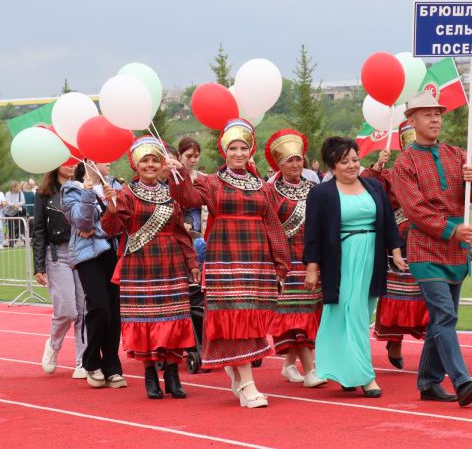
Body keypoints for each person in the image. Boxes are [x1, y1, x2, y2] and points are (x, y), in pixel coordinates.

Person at [167, 118, 291, 408]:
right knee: (233, 319)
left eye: (243, 148)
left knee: (249, 321)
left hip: (258, 262)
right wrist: (179, 173)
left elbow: (273, 225)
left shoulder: (262, 186)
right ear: (225, 151)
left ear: (251, 151)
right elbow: (186, 198)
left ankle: (238, 373)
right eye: (232, 148)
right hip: (225, 260)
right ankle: (247, 384)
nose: (238, 153)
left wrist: (280, 264)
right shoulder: (211, 182)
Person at [392, 91, 472, 407]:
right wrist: (452, 230)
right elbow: (415, 209)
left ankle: (429, 382)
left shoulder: (457, 154)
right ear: (412, 120)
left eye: (438, 114)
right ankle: (461, 381)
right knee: (445, 315)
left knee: (441, 319)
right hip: (425, 250)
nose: (435, 119)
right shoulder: (403, 163)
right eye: (427, 114)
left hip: (456, 250)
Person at [304, 136, 405, 398]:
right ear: (331, 166)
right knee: (351, 315)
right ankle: (365, 375)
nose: (351, 165)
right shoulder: (321, 193)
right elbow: (313, 234)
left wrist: (395, 251)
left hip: (372, 257)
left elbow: (389, 223)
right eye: (344, 161)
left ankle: (347, 371)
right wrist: (312, 269)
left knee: (361, 313)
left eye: (355, 159)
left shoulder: (373, 186)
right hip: (342, 259)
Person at [101, 137, 199, 399]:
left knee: (174, 319)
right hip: (139, 265)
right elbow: (109, 229)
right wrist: (110, 207)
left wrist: (192, 263)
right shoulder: (125, 194)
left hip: (170, 263)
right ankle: (150, 375)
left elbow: (180, 233)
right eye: (145, 160)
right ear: (136, 164)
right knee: (145, 320)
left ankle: (172, 374)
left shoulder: (172, 193)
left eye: (155, 159)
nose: (150, 164)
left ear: (162, 163)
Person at [360, 123, 429, 370]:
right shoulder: (391, 174)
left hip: (427, 238)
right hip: (399, 242)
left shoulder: (433, 173)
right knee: (395, 295)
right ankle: (394, 341)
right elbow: (366, 183)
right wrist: (379, 165)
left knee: (427, 294)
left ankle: (432, 350)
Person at [264, 129, 326, 388]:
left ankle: (289, 364)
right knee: (295, 315)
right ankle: (311, 370)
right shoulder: (269, 191)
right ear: (279, 163)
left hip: (311, 259)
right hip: (285, 263)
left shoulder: (314, 188)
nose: (295, 164)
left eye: (298, 159)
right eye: (289, 160)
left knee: (308, 314)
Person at [62, 161, 125, 389]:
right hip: (88, 256)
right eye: (102, 157)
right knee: (99, 306)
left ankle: (112, 365)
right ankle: (91, 362)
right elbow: (82, 222)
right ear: (88, 161)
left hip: (114, 252)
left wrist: (112, 203)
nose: (108, 162)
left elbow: (121, 223)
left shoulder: (115, 186)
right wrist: (88, 193)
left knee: (114, 311)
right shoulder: (71, 189)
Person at [33, 161, 87, 380]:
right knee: (67, 310)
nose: (70, 166)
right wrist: (38, 266)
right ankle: (54, 344)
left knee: (84, 310)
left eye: (74, 161)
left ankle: (83, 361)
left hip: (84, 252)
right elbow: (38, 229)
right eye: (65, 162)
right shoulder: (44, 193)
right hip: (57, 253)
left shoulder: (84, 187)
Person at [178, 137, 205, 233]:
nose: (193, 160)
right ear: (180, 155)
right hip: (180, 226)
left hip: (202, 228)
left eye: (196, 156)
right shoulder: (172, 177)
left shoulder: (204, 178)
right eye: (188, 156)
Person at [4, 182, 26, 248]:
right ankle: (11, 243)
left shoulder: (20, 193)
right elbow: (8, 201)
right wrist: (13, 205)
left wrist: (17, 205)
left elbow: (23, 201)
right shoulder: (8, 193)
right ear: (13, 187)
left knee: (18, 226)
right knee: (11, 228)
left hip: (17, 211)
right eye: (17, 187)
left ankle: (19, 236)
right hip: (9, 213)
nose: (19, 188)